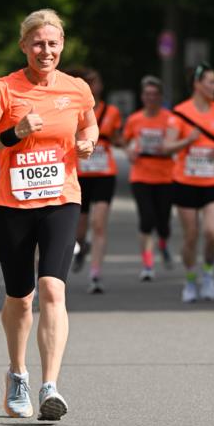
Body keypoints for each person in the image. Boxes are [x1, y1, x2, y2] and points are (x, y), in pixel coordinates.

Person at [0, 8, 98, 421]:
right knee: (20, 299)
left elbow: (89, 126)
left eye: (53, 43)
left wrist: (87, 143)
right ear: (24, 45)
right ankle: (18, 373)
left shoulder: (77, 89)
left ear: (62, 46)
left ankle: (50, 387)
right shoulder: (3, 90)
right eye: (38, 43)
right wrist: (14, 133)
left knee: (53, 290)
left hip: (62, 200)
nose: (47, 51)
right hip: (14, 206)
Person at [172, 63, 214, 302]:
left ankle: (208, 274)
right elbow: (166, 146)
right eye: (211, 82)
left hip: (213, 181)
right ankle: (190, 281)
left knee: (212, 233)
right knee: (191, 236)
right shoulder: (180, 112)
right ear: (197, 84)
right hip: (185, 181)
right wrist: (186, 141)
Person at [123, 76, 196, 281]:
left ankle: (163, 243)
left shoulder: (170, 119)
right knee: (146, 220)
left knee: (163, 222)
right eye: (147, 94)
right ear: (142, 97)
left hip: (166, 175)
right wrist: (128, 151)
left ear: (161, 97)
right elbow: (125, 140)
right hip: (140, 175)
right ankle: (147, 265)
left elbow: (179, 141)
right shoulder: (135, 119)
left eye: (155, 95)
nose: (151, 98)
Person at [72, 70, 123, 293]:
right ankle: (82, 247)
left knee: (99, 224)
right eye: (89, 83)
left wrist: (130, 144)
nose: (93, 86)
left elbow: (118, 138)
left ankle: (95, 274)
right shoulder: (74, 111)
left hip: (104, 174)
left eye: (96, 82)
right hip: (80, 176)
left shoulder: (112, 112)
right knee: (79, 232)